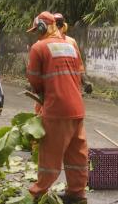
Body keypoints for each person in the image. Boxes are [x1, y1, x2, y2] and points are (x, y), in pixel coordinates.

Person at [26, 11, 88, 204]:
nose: (36, 33)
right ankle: (77, 194)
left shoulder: (39, 47)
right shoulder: (71, 44)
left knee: (49, 156)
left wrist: (41, 92)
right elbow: (78, 74)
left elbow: (34, 79)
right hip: (76, 108)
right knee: (76, 154)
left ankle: (38, 193)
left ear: (43, 27)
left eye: (37, 29)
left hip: (56, 109)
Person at [53, 13, 93, 94]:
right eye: (56, 24)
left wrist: (85, 82)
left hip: (65, 88)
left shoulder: (71, 41)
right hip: (58, 88)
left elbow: (79, 65)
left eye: (59, 24)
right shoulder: (70, 41)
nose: (58, 27)